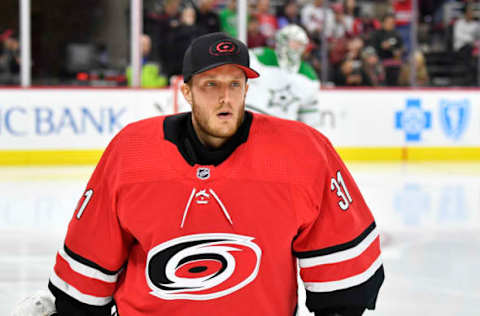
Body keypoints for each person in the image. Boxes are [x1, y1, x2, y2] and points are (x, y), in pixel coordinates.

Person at [13, 32, 384, 316]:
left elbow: (344, 282)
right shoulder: (132, 151)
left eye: (234, 84)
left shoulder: (303, 152)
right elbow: (89, 267)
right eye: (211, 85)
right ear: (186, 91)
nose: (225, 97)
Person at [246, 25, 322, 128]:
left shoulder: (308, 76)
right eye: (295, 43)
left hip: (282, 129)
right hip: (251, 121)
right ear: (283, 40)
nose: (299, 47)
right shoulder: (259, 57)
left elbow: (310, 115)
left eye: (301, 44)